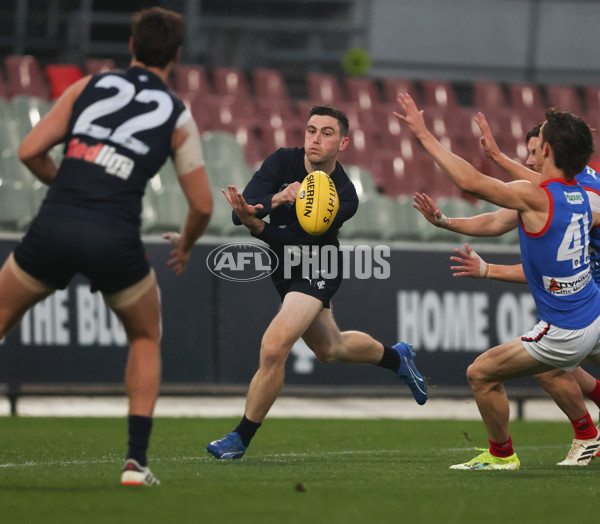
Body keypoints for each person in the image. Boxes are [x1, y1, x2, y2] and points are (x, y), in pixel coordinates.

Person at [5, 7, 212, 485]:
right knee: (144, 335)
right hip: (114, 237)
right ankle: (136, 464)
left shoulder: (86, 86)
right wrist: (185, 244)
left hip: (54, 225)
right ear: (177, 56)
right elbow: (201, 205)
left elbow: (28, 151)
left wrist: (65, 188)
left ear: (131, 47)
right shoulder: (178, 114)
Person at [205, 104, 427, 460]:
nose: (315, 139)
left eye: (326, 133)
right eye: (311, 130)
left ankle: (239, 439)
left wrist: (259, 225)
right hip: (283, 267)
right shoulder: (282, 161)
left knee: (274, 347)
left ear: (343, 143)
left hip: (317, 265)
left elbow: (296, 241)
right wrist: (276, 198)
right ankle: (395, 358)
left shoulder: (346, 194)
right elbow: (240, 211)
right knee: (330, 349)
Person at [395, 94, 600, 470]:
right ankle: (587, 434)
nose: (530, 155)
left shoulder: (537, 196)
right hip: (594, 312)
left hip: (566, 329)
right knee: (559, 372)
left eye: (537, 147)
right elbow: (496, 221)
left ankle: (501, 456)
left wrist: (424, 135)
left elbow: (470, 182)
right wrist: (446, 224)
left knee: (481, 373)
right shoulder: (580, 197)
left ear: (548, 149)